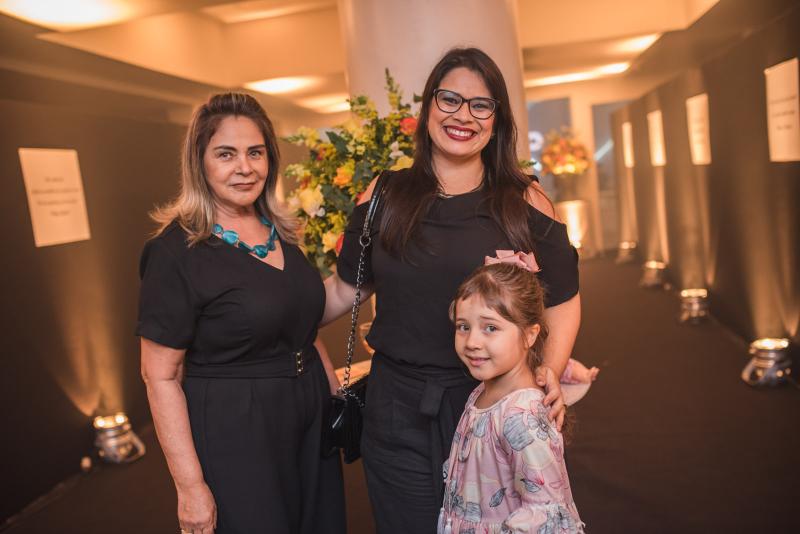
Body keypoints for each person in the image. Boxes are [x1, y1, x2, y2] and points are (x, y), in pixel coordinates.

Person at [323, 47, 581, 532]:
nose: (463, 116)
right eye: (450, 100)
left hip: (492, 408)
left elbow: (563, 298)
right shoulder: (384, 195)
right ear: (428, 109)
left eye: (480, 105)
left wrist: (548, 367)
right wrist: (274, 306)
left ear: (496, 120)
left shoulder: (524, 200)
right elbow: (344, 288)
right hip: (397, 409)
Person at [137, 93, 345, 534]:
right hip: (238, 427)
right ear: (199, 162)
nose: (245, 167)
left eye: (255, 152)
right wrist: (189, 486)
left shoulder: (280, 232)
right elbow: (160, 377)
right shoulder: (174, 252)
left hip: (309, 416)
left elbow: (303, 330)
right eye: (226, 154)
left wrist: (334, 402)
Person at [439, 261, 584, 533]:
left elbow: (544, 515)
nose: (472, 342)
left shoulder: (522, 416)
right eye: (463, 327)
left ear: (529, 335)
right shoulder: (482, 392)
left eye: (490, 328)